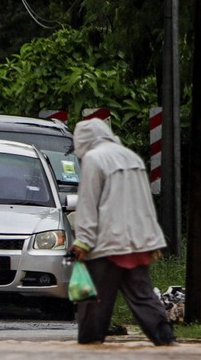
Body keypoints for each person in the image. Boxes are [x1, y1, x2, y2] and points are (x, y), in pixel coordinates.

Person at [70, 116, 176, 346]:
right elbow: (144, 202)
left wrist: (83, 242)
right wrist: (152, 240)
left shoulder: (93, 159)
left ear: (82, 141)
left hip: (107, 244)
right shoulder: (132, 157)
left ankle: (90, 344)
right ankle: (166, 339)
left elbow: (88, 203)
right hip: (137, 243)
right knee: (144, 296)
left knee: (94, 300)